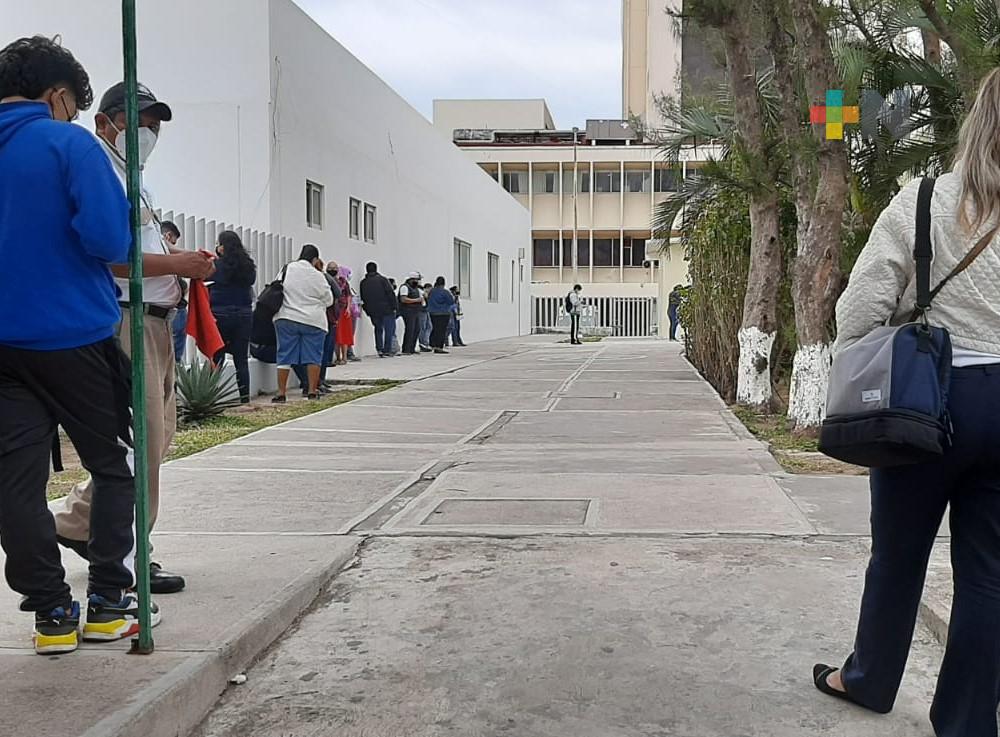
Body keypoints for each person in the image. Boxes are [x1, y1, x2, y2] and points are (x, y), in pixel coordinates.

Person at [814, 69, 1000, 737]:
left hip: (928, 400)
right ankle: (969, 721)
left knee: (898, 553)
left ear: (977, 125)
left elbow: (858, 311)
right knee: (989, 573)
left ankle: (869, 679)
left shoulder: (924, 201)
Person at [0, 35, 146, 654]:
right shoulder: (67, 144)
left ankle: (52, 615)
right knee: (112, 468)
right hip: (75, 338)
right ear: (57, 95)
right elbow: (110, 241)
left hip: (3, 349)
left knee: (15, 483)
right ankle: (110, 601)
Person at [55, 80, 214, 599]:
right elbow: (108, 255)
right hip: (125, 318)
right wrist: (178, 263)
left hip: (154, 320)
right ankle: (126, 553)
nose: (147, 133)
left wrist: (177, 265)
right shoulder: (100, 171)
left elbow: (138, 249)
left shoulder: (134, 178)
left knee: (158, 434)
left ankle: (80, 521)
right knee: (140, 440)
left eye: (154, 125)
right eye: (137, 123)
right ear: (104, 123)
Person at [272, 245, 333, 402]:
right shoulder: (319, 276)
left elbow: (277, 286)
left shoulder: (287, 269)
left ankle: (281, 392)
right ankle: (312, 390)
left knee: (284, 355)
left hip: (287, 318)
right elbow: (329, 300)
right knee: (313, 356)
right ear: (315, 260)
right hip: (313, 321)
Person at [210, 230, 257, 403]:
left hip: (220, 312)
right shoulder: (248, 265)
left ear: (223, 246)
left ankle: (210, 397)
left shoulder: (217, 265)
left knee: (217, 356)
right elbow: (251, 281)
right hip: (244, 313)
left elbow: (210, 279)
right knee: (241, 359)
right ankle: (244, 398)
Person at [163, 221, 188, 362]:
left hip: (168, 312)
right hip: (176, 310)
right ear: (168, 236)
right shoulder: (165, 256)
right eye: (173, 242)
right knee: (175, 358)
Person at [360, 261, 397, 357]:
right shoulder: (383, 280)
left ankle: (379, 348)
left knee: (378, 329)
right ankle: (387, 350)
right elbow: (390, 293)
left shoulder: (363, 283)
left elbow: (363, 297)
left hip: (373, 310)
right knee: (389, 330)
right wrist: (394, 307)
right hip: (386, 309)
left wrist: (367, 310)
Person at [398, 272, 425, 355]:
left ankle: (411, 348)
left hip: (416, 311)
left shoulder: (416, 288)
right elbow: (403, 299)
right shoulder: (405, 287)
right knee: (410, 329)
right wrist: (416, 300)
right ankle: (406, 349)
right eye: (417, 280)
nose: (418, 282)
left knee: (416, 329)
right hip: (408, 311)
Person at [427, 277, 456, 354]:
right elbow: (451, 301)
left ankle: (432, 344)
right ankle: (439, 347)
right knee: (442, 330)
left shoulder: (432, 291)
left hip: (432, 313)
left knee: (435, 329)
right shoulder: (445, 292)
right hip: (443, 313)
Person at [333, 264, 354, 366]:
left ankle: (344, 357)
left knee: (344, 335)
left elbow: (349, 295)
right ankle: (337, 357)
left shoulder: (344, 282)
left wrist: (348, 308)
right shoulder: (329, 281)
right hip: (334, 311)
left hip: (343, 311)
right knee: (336, 336)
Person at [419, 282, 433, 352]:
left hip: (426, 310)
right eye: (430, 289)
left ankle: (425, 342)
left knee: (429, 326)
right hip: (422, 311)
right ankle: (423, 343)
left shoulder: (427, 294)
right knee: (423, 327)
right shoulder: (422, 293)